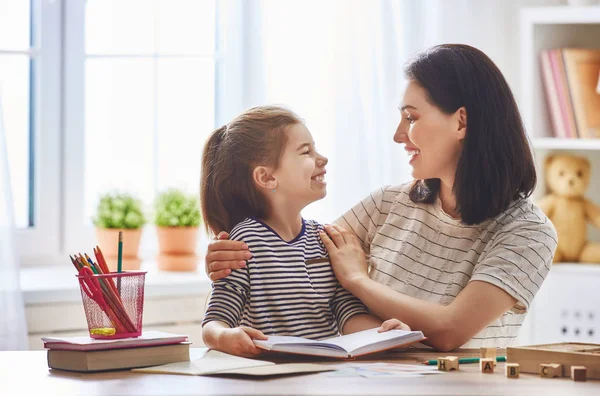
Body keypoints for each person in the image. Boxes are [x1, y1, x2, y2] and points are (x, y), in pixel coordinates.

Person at [204, 45, 558, 352]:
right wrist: (226, 256)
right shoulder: (386, 204)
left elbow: (450, 331)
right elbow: (289, 252)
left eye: (411, 117)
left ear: (461, 122)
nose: (397, 135)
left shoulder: (527, 233)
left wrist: (360, 282)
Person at [200, 105, 407, 358]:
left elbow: (347, 313)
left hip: (322, 374)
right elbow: (214, 322)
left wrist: (385, 333)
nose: (322, 159)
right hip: (271, 377)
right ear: (266, 178)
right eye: (306, 152)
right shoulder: (246, 241)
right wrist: (227, 336)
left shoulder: (323, 239)